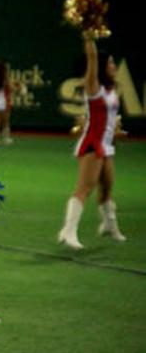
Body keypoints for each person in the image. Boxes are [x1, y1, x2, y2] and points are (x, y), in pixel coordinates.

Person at [57, 35, 126, 248]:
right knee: (84, 188)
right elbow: (93, 57)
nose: (114, 66)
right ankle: (68, 231)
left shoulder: (111, 90)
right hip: (92, 144)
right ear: (102, 67)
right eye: (111, 62)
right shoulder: (93, 87)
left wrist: (116, 131)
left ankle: (109, 225)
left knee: (106, 189)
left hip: (106, 145)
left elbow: (109, 119)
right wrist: (89, 35)